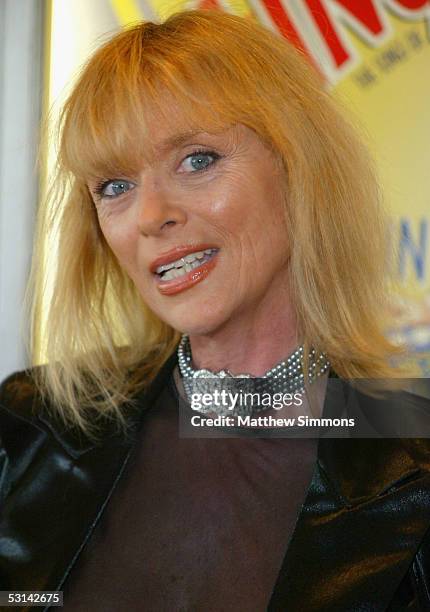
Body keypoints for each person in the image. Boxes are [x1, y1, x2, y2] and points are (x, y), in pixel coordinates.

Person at [1, 9, 430, 612]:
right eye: (114, 186)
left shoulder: (414, 452)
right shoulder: (27, 427)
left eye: (198, 159)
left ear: (298, 167)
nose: (151, 216)